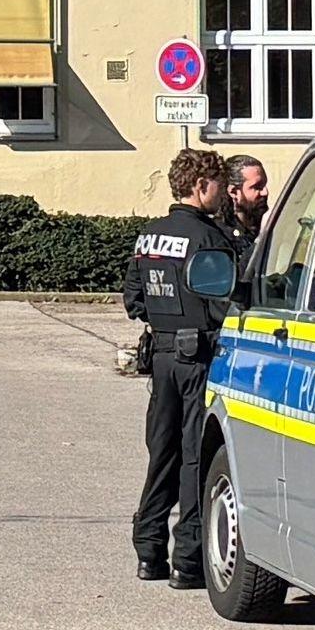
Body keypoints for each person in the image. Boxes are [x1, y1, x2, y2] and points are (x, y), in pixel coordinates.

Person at [123, 147, 247, 584]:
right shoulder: (210, 239)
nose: (222, 196)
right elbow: (226, 303)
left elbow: (134, 301)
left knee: (161, 455)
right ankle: (189, 558)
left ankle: (148, 551)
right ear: (201, 187)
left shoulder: (148, 237)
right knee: (195, 456)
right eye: (217, 187)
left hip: (161, 358)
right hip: (199, 361)